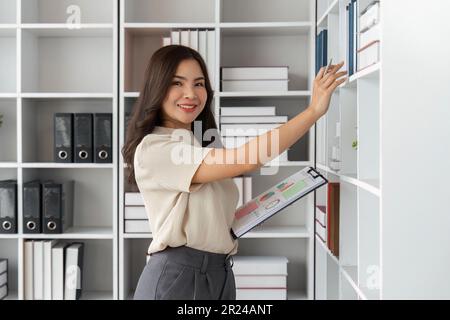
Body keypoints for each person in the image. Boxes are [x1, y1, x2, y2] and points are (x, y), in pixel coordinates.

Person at [122, 45, 346, 300]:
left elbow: (212, 212)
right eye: (177, 83)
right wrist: (313, 111)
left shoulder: (196, 141)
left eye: (199, 84)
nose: (191, 94)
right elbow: (246, 161)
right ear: (157, 88)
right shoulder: (156, 148)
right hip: (180, 277)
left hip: (218, 273)